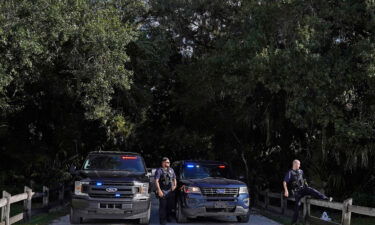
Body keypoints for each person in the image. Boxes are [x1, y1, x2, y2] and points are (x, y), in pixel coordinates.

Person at [283, 159, 332, 225]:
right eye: (299, 164)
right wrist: (286, 190)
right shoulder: (290, 172)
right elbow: (285, 182)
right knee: (297, 207)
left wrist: (306, 184)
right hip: (297, 192)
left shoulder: (301, 171)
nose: (300, 165)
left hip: (303, 189)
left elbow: (304, 178)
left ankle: (326, 198)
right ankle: (293, 223)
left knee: (312, 190)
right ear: (295, 164)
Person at [154, 157, 177, 225]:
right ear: (163, 163)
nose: (169, 163)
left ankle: (168, 217)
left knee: (169, 206)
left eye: (169, 162)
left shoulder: (171, 170)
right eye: (167, 162)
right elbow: (156, 181)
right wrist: (159, 190)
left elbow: (174, 178)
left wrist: (175, 186)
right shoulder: (159, 170)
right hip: (163, 191)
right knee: (163, 207)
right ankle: (162, 221)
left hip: (170, 191)